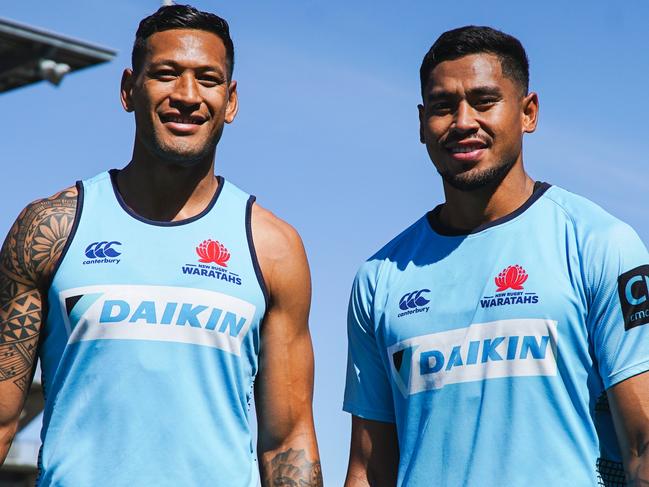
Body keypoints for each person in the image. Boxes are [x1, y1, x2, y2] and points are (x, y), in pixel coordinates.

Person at [0, 5, 322, 486]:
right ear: (129, 89)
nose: (187, 96)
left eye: (208, 79)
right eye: (166, 74)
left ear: (230, 101)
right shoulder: (49, 229)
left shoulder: (273, 246)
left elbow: (288, 440)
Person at [343, 25, 649, 486]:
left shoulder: (600, 244)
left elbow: (644, 445)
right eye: (444, 107)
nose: (463, 121)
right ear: (422, 123)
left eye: (484, 101)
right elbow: (369, 470)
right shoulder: (380, 277)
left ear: (528, 113)